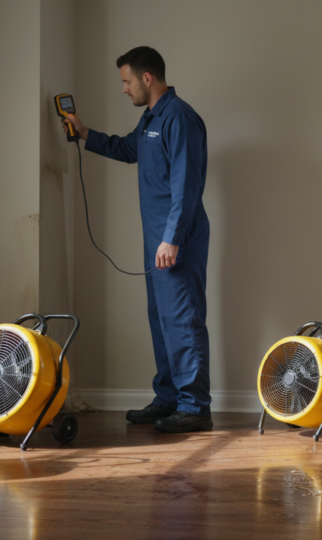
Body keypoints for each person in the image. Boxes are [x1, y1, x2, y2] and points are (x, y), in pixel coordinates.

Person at [63, 47, 211, 433]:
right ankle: (168, 399)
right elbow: (129, 149)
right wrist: (85, 134)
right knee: (161, 320)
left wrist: (172, 239)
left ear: (148, 78)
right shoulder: (151, 119)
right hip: (158, 240)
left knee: (183, 319)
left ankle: (195, 407)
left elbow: (187, 186)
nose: (124, 89)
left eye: (127, 81)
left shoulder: (179, 119)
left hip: (177, 239)